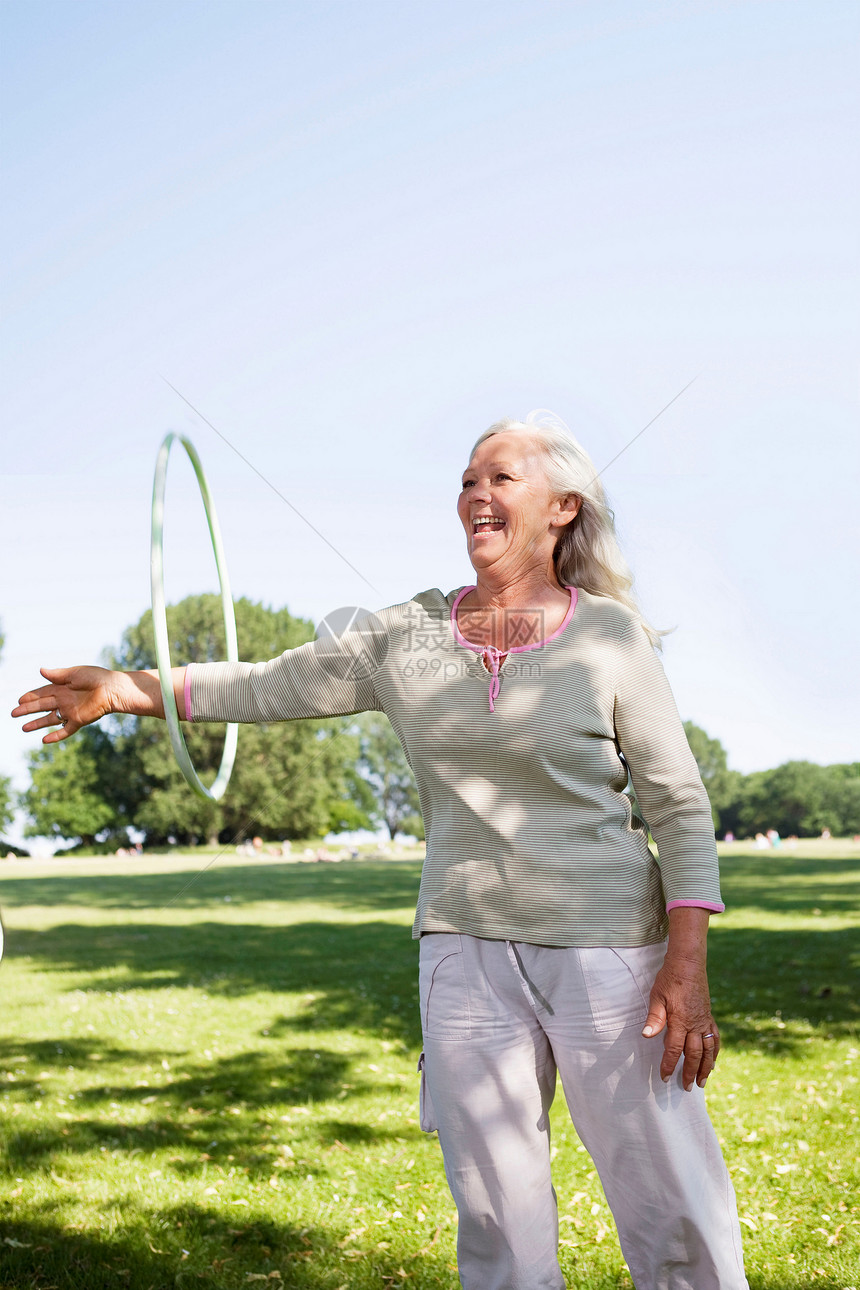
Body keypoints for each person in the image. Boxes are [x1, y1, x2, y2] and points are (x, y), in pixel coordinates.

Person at [13, 413, 748, 1289]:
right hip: (463, 953)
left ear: (562, 508)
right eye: (468, 479)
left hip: (607, 950)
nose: (476, 493)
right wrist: (128, 688)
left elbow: (677, 802)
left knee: (667, 1197)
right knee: (494, 1217)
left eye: (501, 479)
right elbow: (270, 683)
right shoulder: (406, 633)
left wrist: (688, 961)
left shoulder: (610, 638)